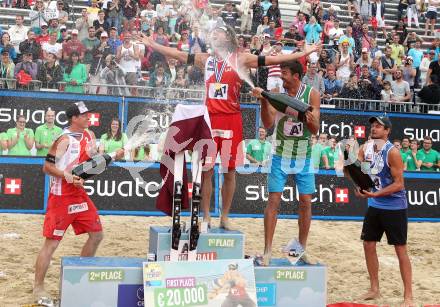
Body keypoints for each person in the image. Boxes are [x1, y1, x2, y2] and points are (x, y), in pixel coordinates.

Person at [139, 25, 319, 229]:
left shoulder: (240, 58)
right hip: (209, 119)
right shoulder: (205, 59)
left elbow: (273, 60)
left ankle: (224, 217)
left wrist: (306, 52)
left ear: (229, 38)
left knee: (230, 171)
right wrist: (152, 44)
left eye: (220, 31)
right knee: (206, 170)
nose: (215, 33)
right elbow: (177, 54)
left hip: (232, 119)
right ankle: (205, 216)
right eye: (213, 32)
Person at [33, 101, 124, 305]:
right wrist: (67, 176)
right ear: (74, 118)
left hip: (79, 193)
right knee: (52, 244)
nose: (87, 117)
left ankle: (81, 276)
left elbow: (91, 164)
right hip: (61, 197)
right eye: (83, 115)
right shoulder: (63, 139)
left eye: (87, 114)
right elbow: (46, 167)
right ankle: (38, 287)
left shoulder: (89, 135)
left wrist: (111, 157)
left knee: (97, 235)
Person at [251, 60, 320, 265]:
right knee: (274, 201)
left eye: (285, 74)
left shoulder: (312, 94)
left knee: (306, 202)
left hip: (304, 155)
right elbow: (268, 124)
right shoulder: (275, 94)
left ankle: (300, 249)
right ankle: (267, 251)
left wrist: (307, 117)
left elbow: (315, 129)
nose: (281, 77)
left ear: (296, 76)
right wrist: (264, 100)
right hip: (280, 153)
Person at [353, 116, 414, 307]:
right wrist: (359, 184)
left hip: (394, 207)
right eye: (373, 125)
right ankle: (374, 289)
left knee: (400, 250)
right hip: (375, 205)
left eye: (378, 126)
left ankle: (408, 296)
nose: (374, 128)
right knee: (368, 245)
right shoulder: (366, 148)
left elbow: (399, 184)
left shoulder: (392, 152)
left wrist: (375, 194)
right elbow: (357, 169)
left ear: (387, 131)